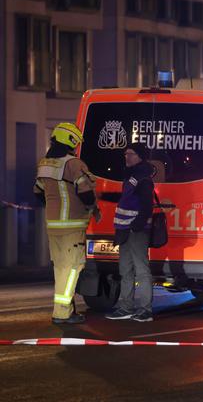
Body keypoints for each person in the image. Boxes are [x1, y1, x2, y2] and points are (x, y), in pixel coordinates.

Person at [33, 122, 97, 325]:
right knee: (73, 268)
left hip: (53, 224)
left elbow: (38, 192)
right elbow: (86, 192)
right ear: (70, 141)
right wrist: (92, 207)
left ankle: (66, 309)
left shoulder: (44, 164)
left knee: (60, 268)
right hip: (72, 224)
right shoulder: (74, 164)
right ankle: (62, 313)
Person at [105, 143, 155, 322]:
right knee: (125, 269)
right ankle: (125, 307)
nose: (127, 157)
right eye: (125, 154)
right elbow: (127, 198)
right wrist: (106, 196)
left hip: (136, 230)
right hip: (125, 229)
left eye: (131, 154)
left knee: (141, 270)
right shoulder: (132, 175)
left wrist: (136, 226)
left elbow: (147, 206)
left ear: (140, 156)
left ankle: (145, 310)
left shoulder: (142, 178)